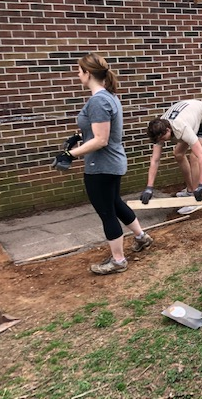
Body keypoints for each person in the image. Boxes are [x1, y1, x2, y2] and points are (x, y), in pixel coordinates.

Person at [53, 52, 153, 275]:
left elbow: (101, 139)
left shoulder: (98, 100)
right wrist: (79, 137)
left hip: (102, 166)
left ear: (88, 73)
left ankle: (118, 261)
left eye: (79, 71)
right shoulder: (109, 96)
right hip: (112, 163)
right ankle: (141, 237)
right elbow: (98, 130)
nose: (77, 75)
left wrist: (70, 154)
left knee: (107, 212)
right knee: (115, 203)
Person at [140, 100, 202, 213]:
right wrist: (149, 188)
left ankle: (196, 199)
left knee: (194, 156)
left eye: (162, 138)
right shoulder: (159, 130)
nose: (161, 142)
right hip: (190, 117)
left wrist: (201, 186)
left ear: (168, 130)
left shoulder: (182, 129)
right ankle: (190, 190)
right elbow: (155, 160)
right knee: (178, 154)